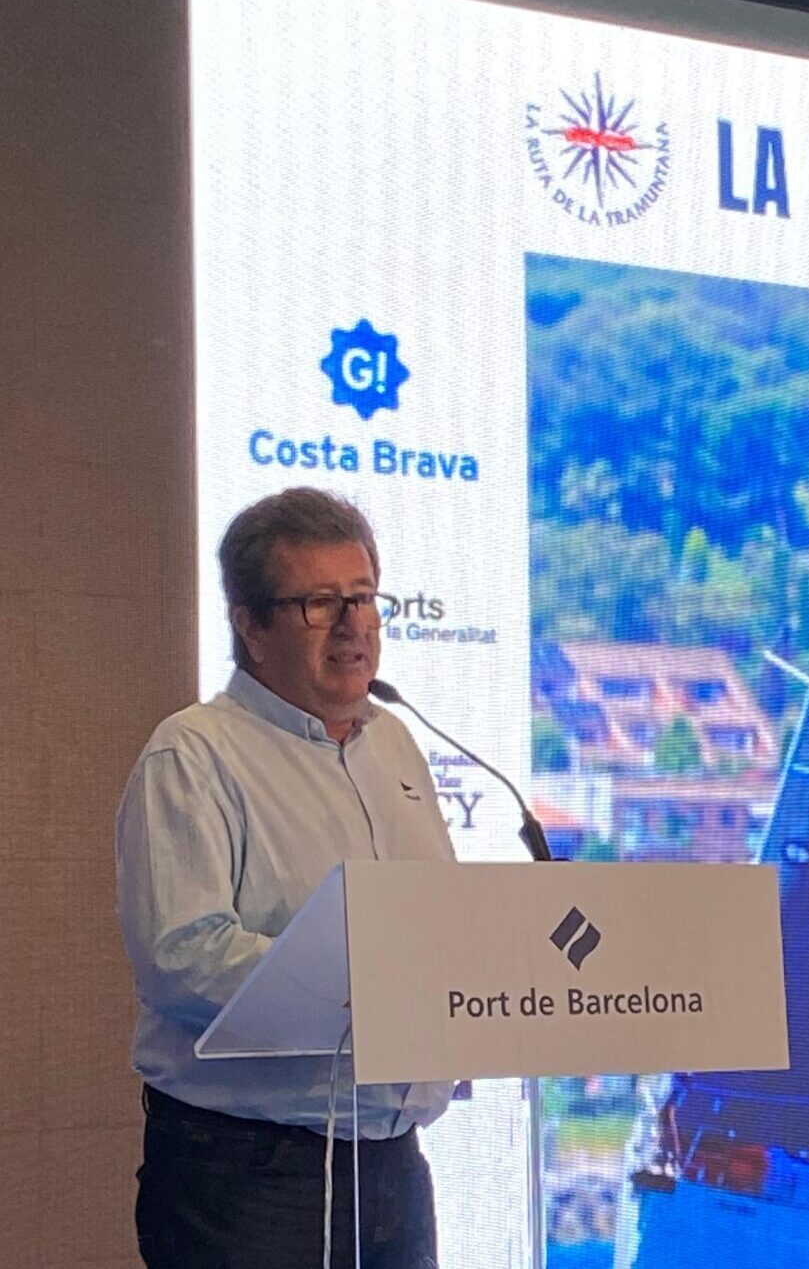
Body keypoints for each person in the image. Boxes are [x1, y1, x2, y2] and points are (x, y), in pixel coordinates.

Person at [116, 488, 455, 1268]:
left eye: (365, 597)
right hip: (251, 1174)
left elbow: (431, 920)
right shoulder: (194, 754)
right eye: (319, 603)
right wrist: (365, 983)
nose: (354, 625)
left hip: (391, 1158)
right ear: (251, 625)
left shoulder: (395, 742)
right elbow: (182, 955)